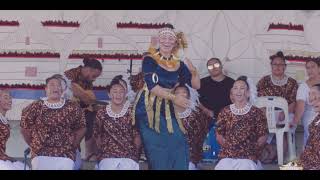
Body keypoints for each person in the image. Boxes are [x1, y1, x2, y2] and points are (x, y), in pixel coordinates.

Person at [132, 24, 200, 170]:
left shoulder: (178, 63)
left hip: (167, 106)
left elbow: (196, 86)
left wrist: (194, 72)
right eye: (164, 38)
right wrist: (175, 98)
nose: (167, 41)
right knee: (157, 149)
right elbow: (153, 87)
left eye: (171, 38)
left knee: (179, 142)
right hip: (148, 108)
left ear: (175, 42)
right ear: (159, 40)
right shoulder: (150, 59)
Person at [20, 75, 86, 170]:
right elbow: (24, 128)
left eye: (59, 85)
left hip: (65, 154)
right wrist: (34, 145)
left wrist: (73, 145)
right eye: (52, 85)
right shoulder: (35, 106)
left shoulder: (73, 107)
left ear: (62, 90)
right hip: (40, 154)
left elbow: (82, 127)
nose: (56, 87)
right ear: (46, 89)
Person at [215, 76, 268, 170]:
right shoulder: (225, 111)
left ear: (247, 93)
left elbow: (263, 136)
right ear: (232, 92)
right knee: (223, 166)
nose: (238, 91)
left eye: (242, 88)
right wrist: (230, 148)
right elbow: (219, 135)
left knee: (245, 166)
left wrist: (251, 150)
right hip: (228, 154)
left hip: (248, 155)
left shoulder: (257, 112)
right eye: (235, 88)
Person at [257, 51, 298, 163]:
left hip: (285, 113)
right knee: (260, 128)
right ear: (271, 66)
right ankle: (265, 154)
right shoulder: (264, 81)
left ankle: (280, 159)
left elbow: (294, 102)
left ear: (285, 66)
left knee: (282, 132)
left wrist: (284, 112)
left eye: (281, 64)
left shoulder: (292, 82)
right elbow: (258, 100)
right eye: (275, 64)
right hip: (265, 113)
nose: (278, 67)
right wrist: (266, 114)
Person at [93, 75, 141, 170]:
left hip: (128, 155)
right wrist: (102, 153)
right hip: (107, 155)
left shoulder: (132, 112)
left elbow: (137, 136)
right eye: (115, 91)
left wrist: (134, 154)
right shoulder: (102, 112)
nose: (118, 95)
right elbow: (97, 135)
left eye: (121, 92)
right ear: (109, 94)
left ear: (125, 94)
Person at [64, 58, 102, 162]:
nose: (94, 79)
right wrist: (84, 98)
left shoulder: (87, 81)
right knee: (88, 118)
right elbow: (73, 94)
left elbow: (90, 99)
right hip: (65, 112)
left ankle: (90, 152)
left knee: (96, 117)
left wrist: (94, 105)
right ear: (88, 69)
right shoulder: (69, 75)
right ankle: (78, 151)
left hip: (80, 111)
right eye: (94, 76)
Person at [173, 84, 212, 170]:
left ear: (189, 95)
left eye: (184, 92)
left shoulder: (195, 113)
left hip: (189, 154)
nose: (181, 95)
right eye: (177, 92)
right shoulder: (167, 113)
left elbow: (201, 135)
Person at [291, 59, 320, 148]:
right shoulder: (303, 87)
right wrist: (294, 123)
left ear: (319, 68)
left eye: (313, 67)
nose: (310, 70)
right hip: (311, 115)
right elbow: (300, 107)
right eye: (307, 68)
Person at [0, 89, 28, 170]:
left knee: (23, 167)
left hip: (2, 157)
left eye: (10, 98)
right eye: (6, 98)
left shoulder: (4, 120)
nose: (10, 100)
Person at [296, 84, 320, 170]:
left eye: (314, 93)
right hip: (308, 161)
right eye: (309, 94)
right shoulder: (316, 119)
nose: (310, 98)